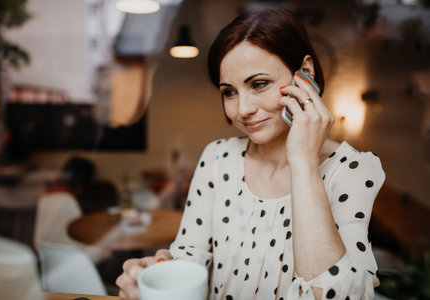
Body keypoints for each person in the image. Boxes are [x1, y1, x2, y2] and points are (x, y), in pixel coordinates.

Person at [116, 7, 385, 300]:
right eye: (229, 92)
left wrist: (304, 163)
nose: (242, 109)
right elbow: (191, 257)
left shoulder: (352, 170)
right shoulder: (218, 159)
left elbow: (335, 295)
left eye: (259, 84)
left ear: (304, 75)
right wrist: (159, 272)